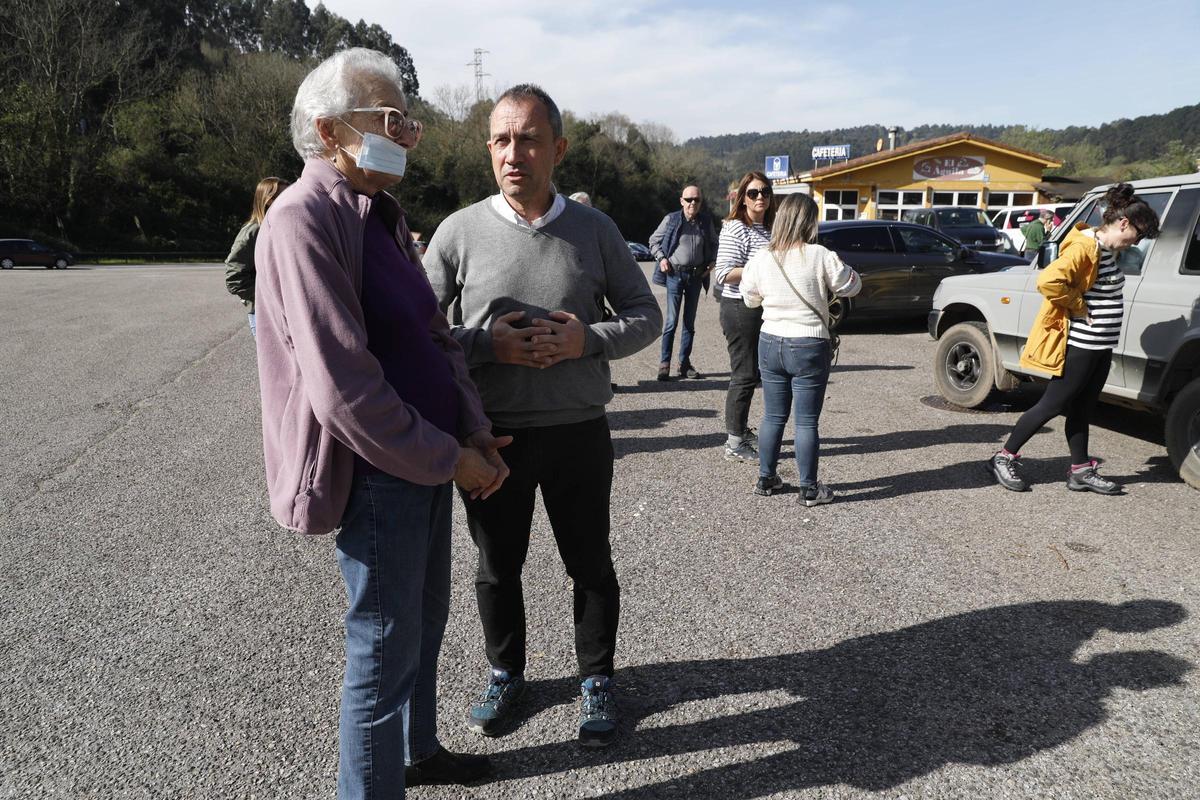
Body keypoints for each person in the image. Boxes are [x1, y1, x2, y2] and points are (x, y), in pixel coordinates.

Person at [253, 48, 509, 800]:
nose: (404, 133)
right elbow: (344, 389)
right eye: (389, 119)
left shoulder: (382, 216)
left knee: (422, 627)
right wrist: (448, 456)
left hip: (426, 460)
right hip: (380, 472)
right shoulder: (302, 222)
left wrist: (472, 428)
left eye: (408, 120)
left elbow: (433, 333)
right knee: (382, 649)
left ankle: (418, 754)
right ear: (329, 131)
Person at [424, 83, 660, 748]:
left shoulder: (595, 230)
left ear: (557, 148)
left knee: (589, 563)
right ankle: (506, 672)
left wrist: (589, 339)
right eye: (500, 139)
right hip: (490, 437)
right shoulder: (458, 232)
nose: (513, 152)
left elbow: (646, 315)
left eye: (528, 138)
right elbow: (418, 330)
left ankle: (597, 678)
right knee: (497, 566)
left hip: (578, 431)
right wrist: (485, 345)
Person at [989, 183, 1160, 495]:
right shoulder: (1084, 248)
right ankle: (1003, 457)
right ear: (1123, 223)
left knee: (1083, 408)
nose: (1137, 241)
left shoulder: (1107, 251)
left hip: (1101, 346)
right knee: (1052, 405)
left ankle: (1080, 470)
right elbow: (1049, 281)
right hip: (1082, 344)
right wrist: (1080, 307)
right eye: (1138, 234)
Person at [740, 194, 861, 506]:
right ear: (810, 221)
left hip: (770, 341)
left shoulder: (763, 257)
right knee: (806, 421)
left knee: (772, 416)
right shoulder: (819, 254)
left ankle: (766, 479)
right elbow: (851, 285)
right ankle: (809, 489)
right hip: (808, 342)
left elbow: (750, 298)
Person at [714, 171, 776, 462]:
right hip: (739, 308)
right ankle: (734, 442)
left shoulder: (769, 227)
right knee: (744, 374)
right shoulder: (735, 227)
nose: (760, 197)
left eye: (764, 191)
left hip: (761, 308)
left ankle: (740, 430)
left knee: (753, 374)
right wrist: (761, 267)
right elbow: (724, 273)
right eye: (753, 193)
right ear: (742, 198)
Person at [648, 184, 719, 381]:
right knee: (671, 322)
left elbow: (714, 243)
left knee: (689, 324)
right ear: (681, 201)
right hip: (674, 276)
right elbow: (653, 241)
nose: (692, 203)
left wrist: (712, 261)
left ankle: (684, 364)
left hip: (696, 277)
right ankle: (664, 364)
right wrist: (661, 258)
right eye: (689, 200)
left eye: (696, 200)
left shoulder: (705, 221)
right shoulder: (671, 219)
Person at [224, 177, 288, 336]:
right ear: (268, 200)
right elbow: (234, 278)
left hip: (287, 313)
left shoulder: (283, 226)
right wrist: (268, 297)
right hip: (264, 316)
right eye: (284, 195)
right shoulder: (253, 231)